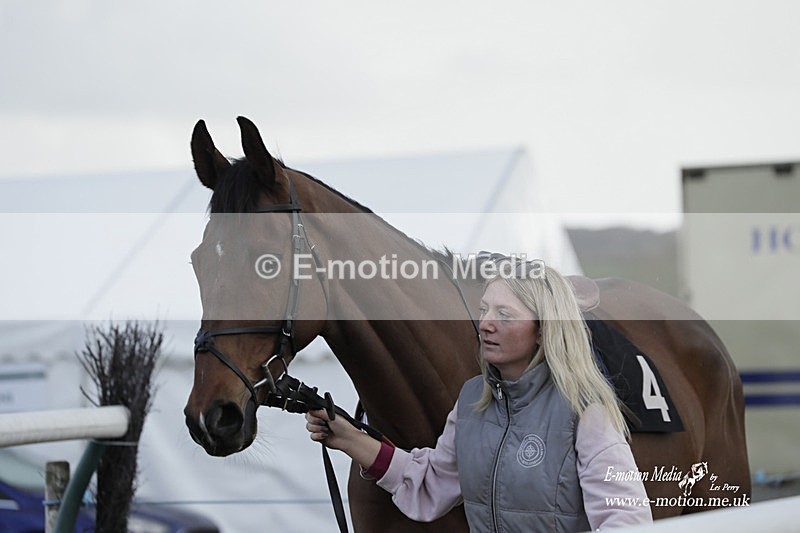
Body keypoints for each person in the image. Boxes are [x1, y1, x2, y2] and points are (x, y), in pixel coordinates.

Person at [305, 257, 653, 531]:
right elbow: (431, 483)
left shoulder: (585, 410)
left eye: (504, 314)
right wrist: (349, 439)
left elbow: (626, 521)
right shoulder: (473, 400)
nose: (485, 323)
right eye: (484, 309)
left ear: (543, 329)